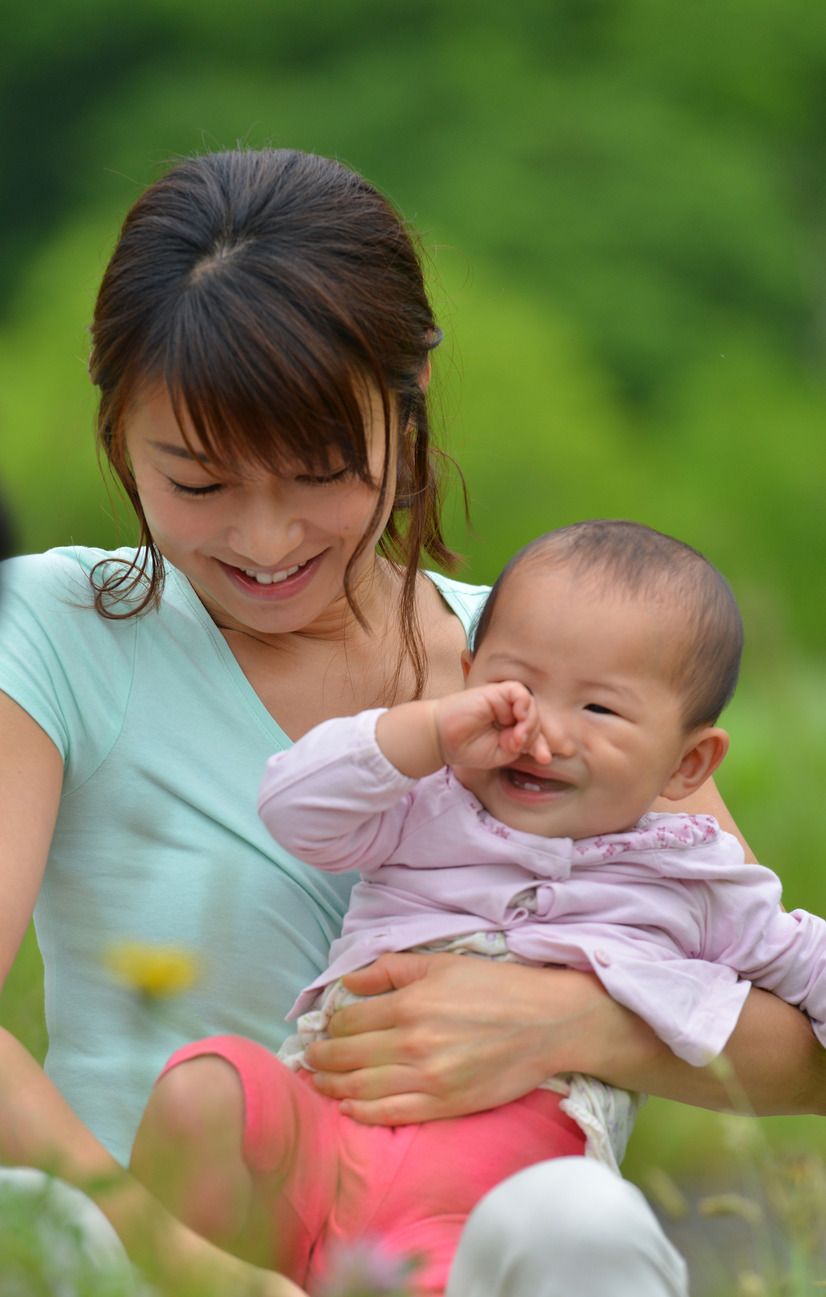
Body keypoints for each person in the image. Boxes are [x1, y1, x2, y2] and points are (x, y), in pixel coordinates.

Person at [0, 149, 823, 1297]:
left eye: (321, 472)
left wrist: (564, 1022)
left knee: (578, 1221)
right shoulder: (52, 628)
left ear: (411, 394)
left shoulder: (569, 678)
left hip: (479, 1240)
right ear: (115, 419)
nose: (266, 540)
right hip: (145, 1254)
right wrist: (195, 1269)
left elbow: (796, 1041)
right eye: (198, 483)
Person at [135, 519, 826, 1294]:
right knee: (207, 1091)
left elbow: (806, 960)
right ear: (469, 679)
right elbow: (292, 809)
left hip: (493, 1175)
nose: (543, 731)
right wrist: (426, 731)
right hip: (327, 1117)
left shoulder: (693, 875)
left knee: (553, 1226)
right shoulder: (428, 800)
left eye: (600, 709)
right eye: (516, 690)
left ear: (688, 761)